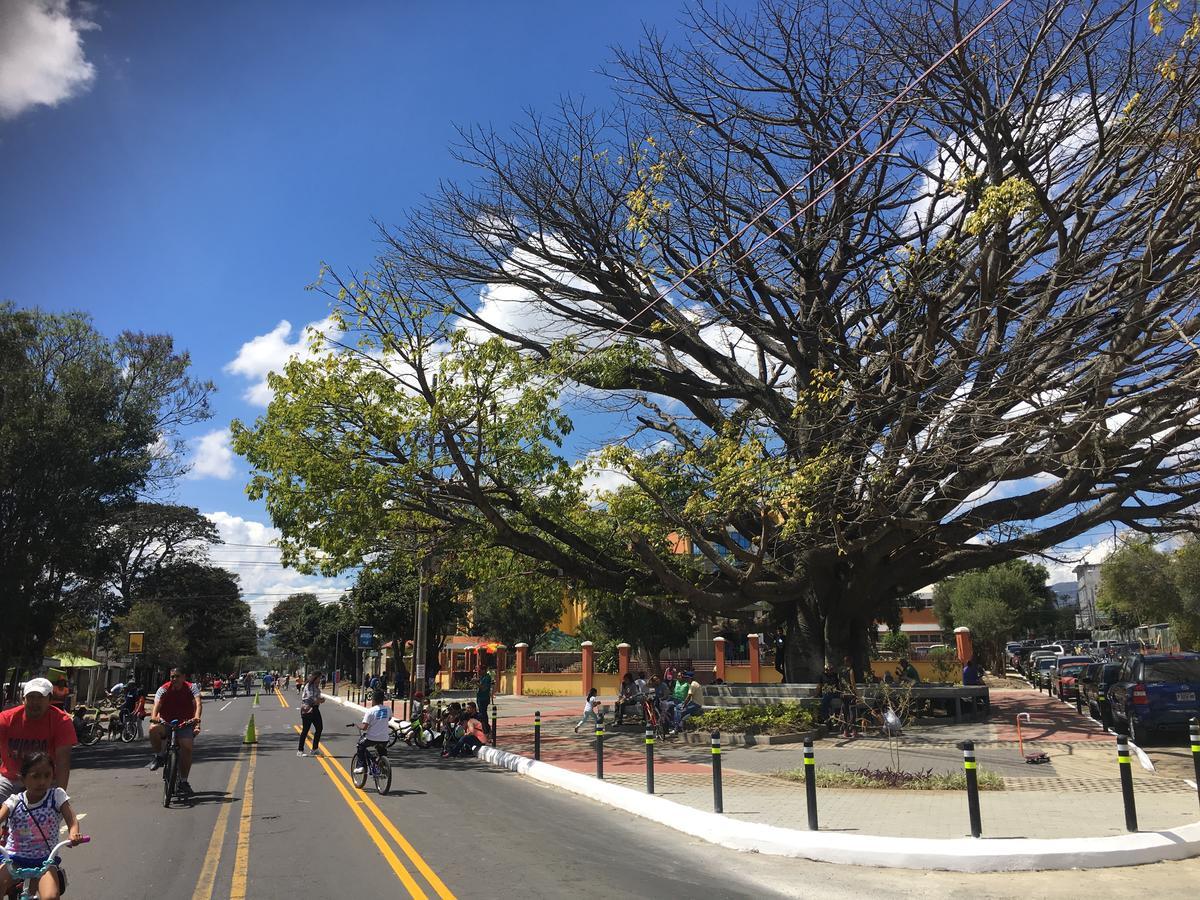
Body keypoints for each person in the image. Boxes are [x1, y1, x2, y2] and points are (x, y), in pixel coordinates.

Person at [0, 752, 83, 900]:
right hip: (14, 858)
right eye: (35, 776)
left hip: (45, 860)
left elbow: (72, 820)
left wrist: (74, 833)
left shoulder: (57, 796)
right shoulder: (14, 801)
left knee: (51, 896)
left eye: (47, 775)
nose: (42, 781)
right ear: (23, 778)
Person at [0, 679, 77, 805]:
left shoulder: (61, 721)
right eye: (31, 697)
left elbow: (63, 762)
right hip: (11, 779)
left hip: (44, 781)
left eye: (40, 697)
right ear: (23, 699)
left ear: (50, 700)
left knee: (48, 815)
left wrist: (60, 798)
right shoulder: (6, 719)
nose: (35, 702)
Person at [147, 668, 202, 797]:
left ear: (184, 677)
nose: (174, 679)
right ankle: (159, 756)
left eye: (177, 676)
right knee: (152, 729)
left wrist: (197, 720)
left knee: (187, 747)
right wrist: (154, 717)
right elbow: (157, 705)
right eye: (172, 677)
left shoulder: (191, 687)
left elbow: (198, 704)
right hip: (166, 721)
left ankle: (183, 781)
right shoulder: (164, 689)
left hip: (185, 722)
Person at [354, 690, 391, 774]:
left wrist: (357, 725)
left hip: (371, 738)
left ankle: (361, 766)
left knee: (360, 745)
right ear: (382, 700)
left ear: (373, 699)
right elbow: (389, 718)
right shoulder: (388, 709)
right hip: (385, 738)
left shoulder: (370, 711)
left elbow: (364, 727)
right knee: (382, 751)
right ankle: (383, 765)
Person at [297, 672, 325, 757]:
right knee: (305, 730)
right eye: (319, 678)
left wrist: (320, 699)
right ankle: (300, 750)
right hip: (308, 709)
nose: (320, 680)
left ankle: (314, 749)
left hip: (315, 709)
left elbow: (317, 698)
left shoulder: (316, 687)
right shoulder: (309, 686)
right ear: (315, 678)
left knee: (319, 728)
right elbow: (310, 698)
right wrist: (319, 700)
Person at [837, 656, 858, 738]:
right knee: (852, 711)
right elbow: (853, 683)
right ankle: (854, 730)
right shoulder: (851, 670)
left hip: (843, 694)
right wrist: (856, 694)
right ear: (850, 662)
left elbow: (839, 682)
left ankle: (845, 731)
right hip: (850, 694)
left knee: (845, 712)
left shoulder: (840, 671)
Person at [816, 661, 841, 725]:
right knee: (826, 698)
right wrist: (817, 694)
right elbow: (819, 685)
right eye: (827, 669)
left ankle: (835, 718)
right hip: (826, 692)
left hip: (834, 692)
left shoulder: (835, 675)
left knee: (839, 700)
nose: (829, 671)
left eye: (831, 669)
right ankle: (826, 718)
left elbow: (839, 685)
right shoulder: (822, 675)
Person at [476, 668, 494, 735]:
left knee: (483, 714)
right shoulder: (482, 677)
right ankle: (484, 728)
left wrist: (476, 683)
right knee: (481, 714)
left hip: (484, 698)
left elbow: (483, 688)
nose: (479, 672)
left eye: (480, 670)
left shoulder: (487, 677)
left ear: (484, 670)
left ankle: (487, 729)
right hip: (480, 698)